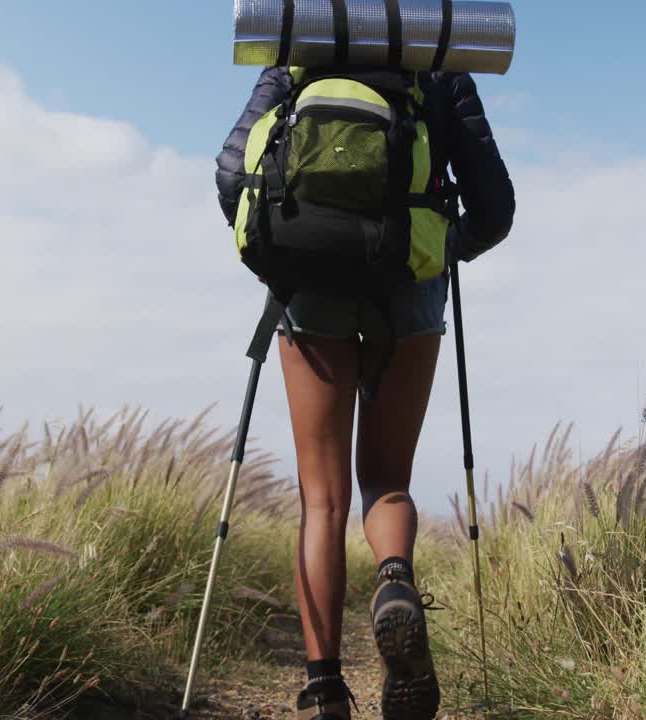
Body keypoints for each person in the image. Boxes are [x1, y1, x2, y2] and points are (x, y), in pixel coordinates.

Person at [216, 65, 514, 720]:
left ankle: (326, 693)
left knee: (322, 499)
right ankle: (395, 581)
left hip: (307, 282)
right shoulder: (438, 64)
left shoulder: (297, 55)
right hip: (410, 281)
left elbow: (232, 175)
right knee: (386, 481)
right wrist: (437, 246)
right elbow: (496, 209)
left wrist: (280, 244)